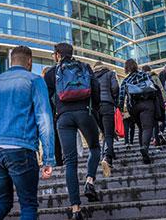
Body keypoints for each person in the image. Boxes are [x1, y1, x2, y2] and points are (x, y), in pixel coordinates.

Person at [0, 46, 55, 220]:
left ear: (11, 61)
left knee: (1, 202)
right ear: (29, 61)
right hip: (20, 148)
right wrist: (48, 158)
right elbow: (44, 119)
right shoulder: (34, 80)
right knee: (28, 205)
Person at [44, 43, 101, 220]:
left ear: (58, 55)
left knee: (70, 162)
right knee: (94, 148)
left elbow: (47, 98)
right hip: (85, 112)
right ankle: (90, 181)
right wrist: (94, 110)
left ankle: (76, 208)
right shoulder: (85, 67)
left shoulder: (52, 72)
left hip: (63, 118)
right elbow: (96, 90)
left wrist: (56, 113)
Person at [119, 59, 161, 164]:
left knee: (141, 127)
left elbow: (121, 96)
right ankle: (144, 147)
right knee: (147, 127)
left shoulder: (125, 80)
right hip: (147, 103)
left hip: (133, 107)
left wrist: (120, 108)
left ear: (126, 68)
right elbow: (151, 86)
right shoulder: (144, 75)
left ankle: (143, 149)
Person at [93, 61, 119, 177]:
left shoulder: (91, 76)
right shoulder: (110, 73)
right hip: (107, 104)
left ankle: (108, 152)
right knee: (108, 133)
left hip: (95, 108)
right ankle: (107, 157)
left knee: (103, 132)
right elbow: (115, 87)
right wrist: (115, 99)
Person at [42, 66, 64, 167]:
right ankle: (59, 160)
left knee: (51, 138)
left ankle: (53, 160)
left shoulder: (46, 86)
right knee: (57, 139)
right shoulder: (58, 82)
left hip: (51, 114)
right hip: (58, 113)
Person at [142, 65, 166, 145]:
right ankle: (158, 134)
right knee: (159, 119)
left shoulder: (142, 78)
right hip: (157, 100)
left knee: (152, 121)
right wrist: (165, 100)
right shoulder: (154, 77)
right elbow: (161, 88)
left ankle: (155, 137)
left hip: (147, 102)